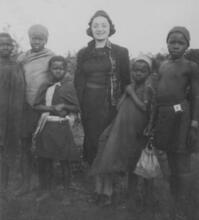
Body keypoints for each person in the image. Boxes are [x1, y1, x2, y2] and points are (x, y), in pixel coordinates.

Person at [90, 56, 156, 206]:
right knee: (126, 159)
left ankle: (144, 198)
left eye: (142, 71)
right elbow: (119, 106)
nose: (138, 73)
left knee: (138, 162)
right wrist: (127, 93)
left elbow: (145, 108)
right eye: (135, 70)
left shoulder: (147, 88)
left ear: (148, 73)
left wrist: (131, 94)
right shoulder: (130, 87)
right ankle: (125, 195)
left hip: (137, 129)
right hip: (123, 126)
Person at [151, 26, 199, 220]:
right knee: (168, 158)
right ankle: (172, 198)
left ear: (187, 45)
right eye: (172, 42)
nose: (176, 46)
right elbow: (157, 96)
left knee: (181, 159)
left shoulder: (191, 66)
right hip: (164, 116)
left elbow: (196, 96)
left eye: (181, 42)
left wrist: (194, 124)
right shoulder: (162, 65)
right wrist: (153, 121)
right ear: (167, 43)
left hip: (181, 116)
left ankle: (183, 203)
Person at [74, 10, 130, 166]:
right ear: (90, 29)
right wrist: (78, 105)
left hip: (111, 101)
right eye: (96, 25)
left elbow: (126, 81)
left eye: (103, 25)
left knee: (108, 136)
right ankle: (92, 170)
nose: (99, 29)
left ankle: (108, 173)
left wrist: (124, 104)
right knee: (91, 136)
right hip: (89, 101)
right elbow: (78, 80)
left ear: (110, 28)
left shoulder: (121, 52)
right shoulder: (83, 53)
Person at [33, 56, 79, 198]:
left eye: (61, 68)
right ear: (50, 69)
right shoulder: (45, 85)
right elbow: (36, 105)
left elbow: (76, 106)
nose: (58, 71)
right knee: (45, 158)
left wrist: (65, 105)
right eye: (55, 68)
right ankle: (46, 189)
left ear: (65, 70)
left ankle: (66, 190)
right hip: (47, 125)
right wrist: (52, 108)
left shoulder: (69, 86)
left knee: (65, 160)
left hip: (62, 126)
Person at [17, 24, 54, 194]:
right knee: (25, 144)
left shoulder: (51, 57)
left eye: (40, 38)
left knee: (43, 145)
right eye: (33, 38)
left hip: (43, 106)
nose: (36, 41)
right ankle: (27, 182)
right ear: (29, 38)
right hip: (25, 106)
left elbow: (58, 77)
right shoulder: (23, 58)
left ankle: (45, 184)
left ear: (45, 40)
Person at [0, 33, 25, 193]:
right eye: (2, 45)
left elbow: (20, 88)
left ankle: (6, 183)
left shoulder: (17, 65)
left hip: (12, 113)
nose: (5, 47)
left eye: (8, 44)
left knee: (9, 147)